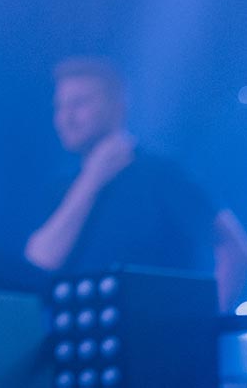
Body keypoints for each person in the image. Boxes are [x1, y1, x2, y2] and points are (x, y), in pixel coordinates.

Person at [25, 56, 247, 312]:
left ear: (117, 107)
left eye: (79, 103)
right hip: (78, 335)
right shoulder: (61, 188)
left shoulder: (160, 175)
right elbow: (40, 260)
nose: (66, 118)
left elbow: (233, 246)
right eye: (60, 107)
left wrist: (207, 323)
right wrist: (92, 178)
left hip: (157, 333)